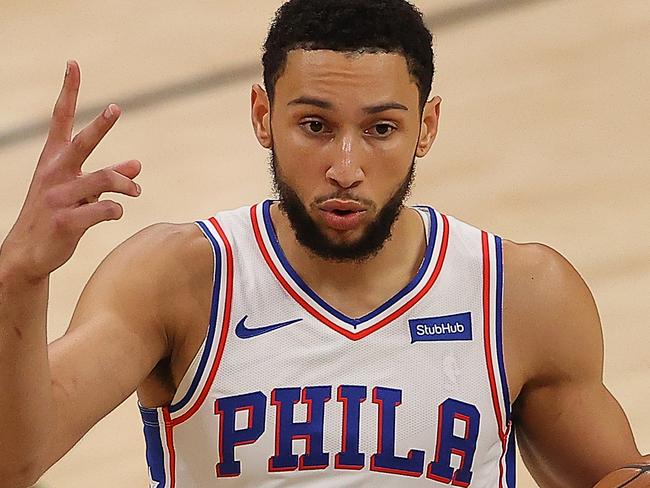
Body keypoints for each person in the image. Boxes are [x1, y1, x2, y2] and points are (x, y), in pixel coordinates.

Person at [0, 0, 647, 487]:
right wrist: (20, 277)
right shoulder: (174, 280)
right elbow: (15, 458)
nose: (345, 165)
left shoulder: (522, 296)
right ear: (262, 116)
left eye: (381, 128)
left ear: (427, 127)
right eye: (315, 124)